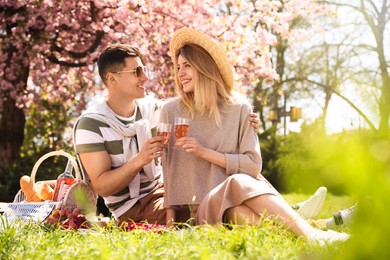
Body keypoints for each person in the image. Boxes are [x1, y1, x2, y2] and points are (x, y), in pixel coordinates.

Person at [159, 27, 350, 244]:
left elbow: (252, 166)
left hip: (234, 204)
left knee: (238, 207)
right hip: (201, 209)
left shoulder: (239, 109)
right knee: (236, 183)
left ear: (204, 68)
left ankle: (312, 237)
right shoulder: (171, 111)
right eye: (178, 67)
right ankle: (315, 231)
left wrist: (205, 152)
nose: (180, 73)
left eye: (187, 66)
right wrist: (170, 220)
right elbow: (170, 168)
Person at [73, 43, 261, 225]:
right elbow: (101, 186)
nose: (145, 77)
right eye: (136, 72)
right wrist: (140, 159)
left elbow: (198, 111)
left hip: (169, 190)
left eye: (144, 69)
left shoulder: (153, 109)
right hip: (135, 207)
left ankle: (278, 225)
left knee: (223, 196)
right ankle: (276, 227)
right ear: (112, 79)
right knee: (213, 208)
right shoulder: (91, 124)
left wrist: (243, 119)